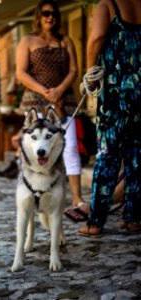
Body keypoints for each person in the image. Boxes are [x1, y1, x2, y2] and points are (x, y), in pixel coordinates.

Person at [78, 0, 141, 236]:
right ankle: (133, 218)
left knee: (107, 155)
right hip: (139, 91)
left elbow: (96, 37)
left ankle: (95, 222)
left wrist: (90, 71)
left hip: (116, 92)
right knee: (136, 156)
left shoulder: (108, 4)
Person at [14, 0, 84, 206]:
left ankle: (77, 198)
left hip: (63, 100)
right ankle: (34, 192)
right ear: (38, 16)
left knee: (70, 147)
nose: (50, 17)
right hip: (35, 101)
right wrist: (44, 91)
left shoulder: (66, 41)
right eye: (45, 13)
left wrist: (59, 90)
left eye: (53, 13)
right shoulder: (27, 40)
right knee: (35, 147)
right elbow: (20, 72)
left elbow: (74, 71)